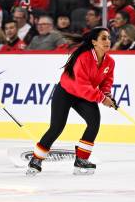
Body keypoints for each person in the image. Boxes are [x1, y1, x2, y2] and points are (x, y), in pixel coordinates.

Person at [27, 27, 116, 176]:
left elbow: (106, 82)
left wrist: (107, 94)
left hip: (84, 95)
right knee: (57, 127)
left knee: (94, 122)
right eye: (104, 38)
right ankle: (36, 160)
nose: (108, 41)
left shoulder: (110, 62)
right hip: (66, 92)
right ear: (94, 42)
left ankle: (81, 159)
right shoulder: (83, 58)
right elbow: (81, 86)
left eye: (108, 38)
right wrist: (101, 98)